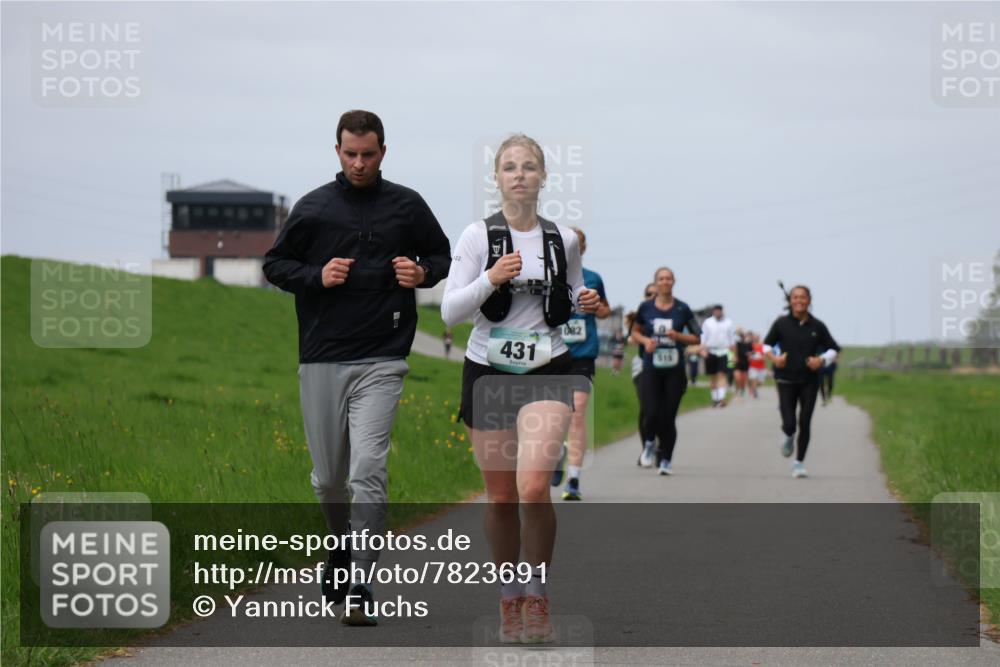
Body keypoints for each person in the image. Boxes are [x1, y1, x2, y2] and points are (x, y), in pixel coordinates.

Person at [262, 110, 452, 626]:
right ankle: (341, 546)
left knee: (367, 470)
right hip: (322, 356)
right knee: (327, 481)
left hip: (383, 357)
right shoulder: (315, 207)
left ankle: (362, 581)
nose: (359, 163)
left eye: (368, 154)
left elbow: (441, 255)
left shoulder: (406, 205)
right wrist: (317, 275)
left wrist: (424, 272)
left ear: (383, 152)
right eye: (350, 154)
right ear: (338, 151)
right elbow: (274, 265)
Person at [440, 134, 600, 643]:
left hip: (549, 366)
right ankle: (509, 598)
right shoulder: (476, 238)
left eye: (529, 166)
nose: (519, 174)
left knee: (534, 488)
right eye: (509, 167)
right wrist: (490, 277)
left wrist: (587, 300)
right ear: (496, 177)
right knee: (502, 497)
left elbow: (570, 292)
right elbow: (450, 311)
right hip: (488, 369)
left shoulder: (563, 240)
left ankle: (538, 595)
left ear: (544, 177)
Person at [550, 226, 610, 501]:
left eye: (580, 242)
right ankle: (557, 453)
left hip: (582, 354)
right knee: (553, 417)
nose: (575, 245)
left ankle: (573, 479)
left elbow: (605, 310)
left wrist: (595, 306)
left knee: (577, 413)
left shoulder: (594, 278)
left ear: (583, 248)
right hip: (550, 352)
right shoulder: (548, 275)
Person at [764, 285, 840, 479]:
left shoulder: (817, 326)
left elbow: (833, 349)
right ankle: (789, 436)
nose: (799, 301)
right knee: (790, 423)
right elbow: (765, 345)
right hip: (785, 379)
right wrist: (775, 359)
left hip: (809, 380)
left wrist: (821, 360)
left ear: (809, 301)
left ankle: (799, 463)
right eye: (795, 297)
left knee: (805, 421)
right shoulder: (781, 323)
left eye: (803, 297)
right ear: (790, 301)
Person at [632, 267, 701, 475]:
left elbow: (697, 337)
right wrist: (645, 341)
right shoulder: (645, 308)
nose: (665, 282)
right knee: (651, 413)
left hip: (675, 370)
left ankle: (666, 460)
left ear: (674, 282)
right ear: (656, 282)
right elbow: (634, 332)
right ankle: (650, 443)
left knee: (668, 417)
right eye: (661, 278)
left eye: (668, 278)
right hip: (651, 368)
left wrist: (678, 336)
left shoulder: (682, 309)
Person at [627, 283, 657, 465]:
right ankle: (646, 447)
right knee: (647, 409)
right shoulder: (640, 314)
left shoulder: (671, 312)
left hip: (666, 367)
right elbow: (629, 338)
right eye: (649, 293)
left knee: (662, 411)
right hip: (642, 366)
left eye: (655, 294)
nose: (652, 297)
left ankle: (660, 446)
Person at [700, 305, 736, 407]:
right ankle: (715, 398)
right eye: (715, 311)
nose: (717, 313)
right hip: (710, 350)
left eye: (719, 311)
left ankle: (721, 398)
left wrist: (733, 355)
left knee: (722, 374)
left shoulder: (728, 323)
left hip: (724, 351)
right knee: (713, 376)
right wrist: (702, 350)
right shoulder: (708, 322)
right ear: (713, 312)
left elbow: (732, 340)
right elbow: (703, 337)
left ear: (721, 312)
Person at [748, 332, 767, 398]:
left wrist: (761, 358)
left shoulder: (763, 346)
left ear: (759, 338)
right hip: (753, 366)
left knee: (760, 382)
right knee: (753, 378)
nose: (755, 338)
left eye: (757, 337)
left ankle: (755, 387)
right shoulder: (751, 346)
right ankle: (754, 391)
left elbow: (765, 357)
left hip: (761, 367)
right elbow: (749, 355)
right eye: (754, 337)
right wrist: (750, 357)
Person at [733, 329, 752, 397]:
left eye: (743, 335)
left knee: (743, 378)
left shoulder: (748, 343)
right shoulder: (736, 343)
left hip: (745, 362)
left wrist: (750, 354)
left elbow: (752, 351)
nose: (742, 337)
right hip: (738, 361)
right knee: (737, 377)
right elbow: (733, 348)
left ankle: (742, 389)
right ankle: (737, 388)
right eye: (741, 335)